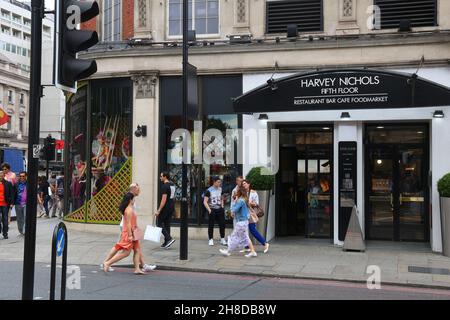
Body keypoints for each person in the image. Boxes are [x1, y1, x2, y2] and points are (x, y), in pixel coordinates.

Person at [101, 183, 156, 272]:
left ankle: (139, 268)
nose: (139, 190)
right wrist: (130, 235)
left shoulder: (130, 201)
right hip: (128, 229)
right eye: (138, 188)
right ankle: (106, 262)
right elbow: (129, 222)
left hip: (132, 229)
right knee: (123, 249)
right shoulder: (129, 206)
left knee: (137, 249)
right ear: (133, 189)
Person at [219, 186, 257, 258]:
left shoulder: (240, 201)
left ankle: (227, 251)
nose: (235, 193)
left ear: (239, 192)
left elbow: (234, 209)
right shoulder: (244, 199)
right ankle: (253, 251)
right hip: (244, 221)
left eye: (236, 192)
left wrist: (235, 201)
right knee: (245, 237)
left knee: (234, 236)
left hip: (241, 222)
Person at [243, 180, 269, 253]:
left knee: (252, 230)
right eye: (243, 184)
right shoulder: (243, 193)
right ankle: (247, 246)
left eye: (245, 184)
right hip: (244, 214)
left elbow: (256, 203)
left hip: (251, 213)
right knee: (244, 230)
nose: (244, 185)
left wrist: (249, 203)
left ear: (249, 184)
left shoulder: (253, 193)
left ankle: (265, 243)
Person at [155, 172, 176, 249]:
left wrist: (159, 210)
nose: (160, 177)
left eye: (161, 176)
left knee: (159, 223)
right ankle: (167, 242)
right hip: (171, 206)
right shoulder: (172, 185)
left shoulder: (164, 186)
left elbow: (163, 200)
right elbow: (173, 197)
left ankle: (169, 239)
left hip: (166, 207)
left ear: (165, 177)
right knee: (167, 224)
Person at [204, 177, 227, 246]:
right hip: (212, 209)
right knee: (211, 225)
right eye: (218, 182)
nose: (219, 183)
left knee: (222, 224)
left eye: (220, 182)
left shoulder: (220, 189)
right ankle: (210, 239)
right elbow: (205, 201)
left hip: (219, 209)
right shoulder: (209, 190)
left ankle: (222, 238)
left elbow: (222, 198)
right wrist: (209, 210)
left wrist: (222, 206)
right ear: (214, 182)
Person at [0, 171, 14, 239]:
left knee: (5, 219)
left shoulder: (8, 183)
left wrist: (11, 203)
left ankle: (5, 233)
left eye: (1, 175)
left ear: (4, 176)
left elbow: (11, 194)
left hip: (5, 203)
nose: (0, 177)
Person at [14, 171, 27, 236]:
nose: (22, 177)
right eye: (20, 176)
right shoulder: (16, 184)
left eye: (23, 176)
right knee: (19, 218)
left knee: (25, 217)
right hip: (17, 203)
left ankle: (25, 231)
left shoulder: (29, 184)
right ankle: (21, 230)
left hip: (26, 203)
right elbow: (13, 193)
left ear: (26, 176)